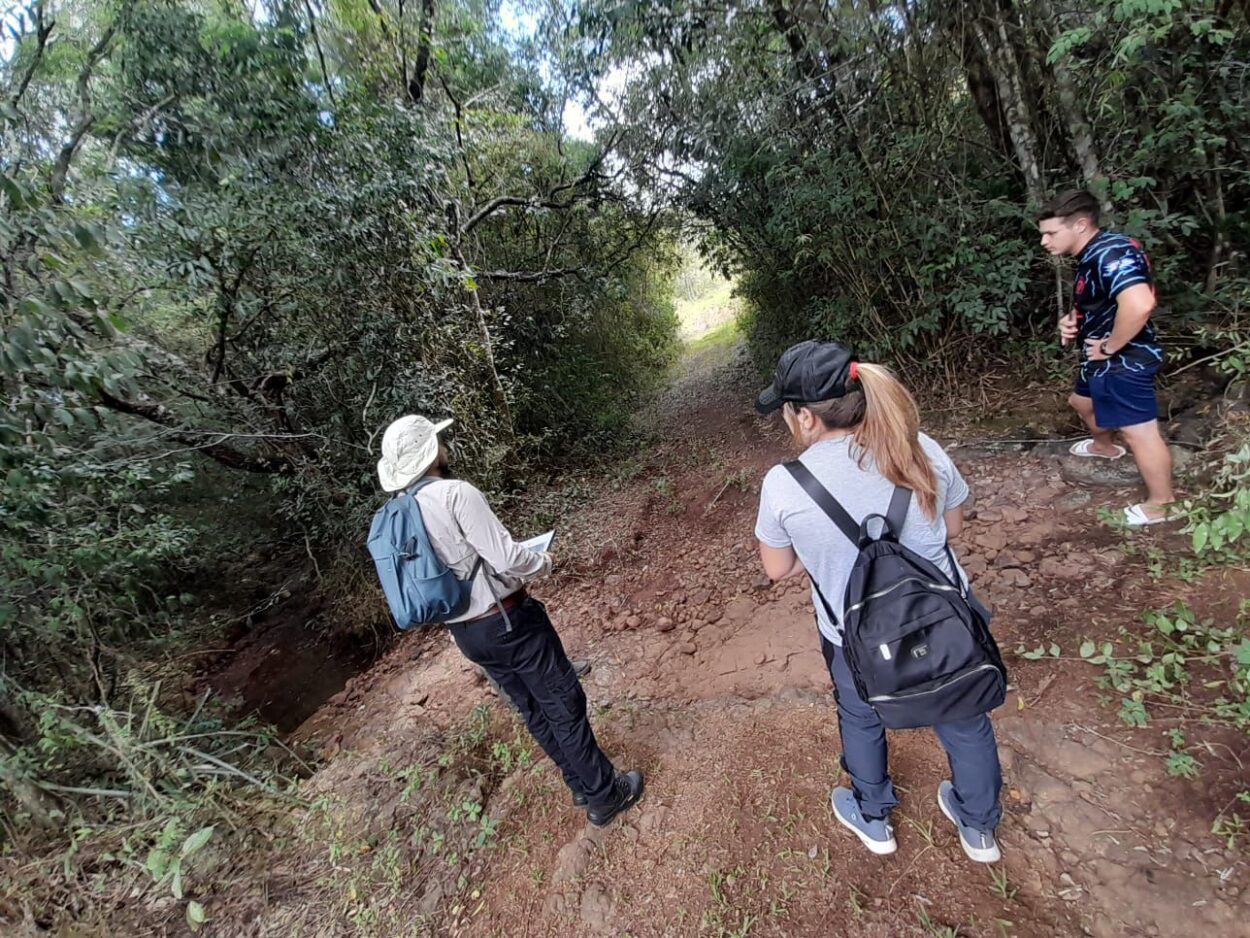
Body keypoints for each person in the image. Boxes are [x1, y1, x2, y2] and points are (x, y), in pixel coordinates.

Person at [754, 341, 1003, 862]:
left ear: (804, 417)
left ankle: (873, 817)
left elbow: (776, 568)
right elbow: (952, 526)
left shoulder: (785, 485)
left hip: (854, 639)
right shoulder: (920, 449)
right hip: (945, 622)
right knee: (965, 717)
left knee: (860, 714)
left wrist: (817, 548)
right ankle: (979, 828)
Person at [375, 414, 643, 827]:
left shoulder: (402, 513)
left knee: (532, 707)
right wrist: (543, 561)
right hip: (508, 621)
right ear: (432, 453)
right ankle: (606, 795)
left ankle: (579, 781)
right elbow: (507, 559)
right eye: (438, 440)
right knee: (562, 702)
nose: (445, 445)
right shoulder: (454, 494)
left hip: (465, 634)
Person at [1038, 189, 1174, 525]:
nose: (1044, 241)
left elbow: (1140, 304)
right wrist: (1073, 319)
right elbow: (1097, 298)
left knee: (1138, 431)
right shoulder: (1092, 254)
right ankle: (1105, 447)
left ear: (1080, 225)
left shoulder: (1112, 253)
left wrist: (1110, 347)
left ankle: (1163, 504)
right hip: (1098, 356)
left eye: (1051, 233)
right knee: (1081, 403)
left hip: (1123, 359)